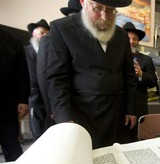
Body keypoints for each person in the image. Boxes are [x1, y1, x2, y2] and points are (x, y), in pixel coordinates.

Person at [46, 0, 137, 149]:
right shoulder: (62, 28)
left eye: (110, 10)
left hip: (117, 112)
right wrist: (64, 118)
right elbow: (57, 78)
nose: (104, 16)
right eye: (97, 8)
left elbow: (129, 75)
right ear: (83, 2)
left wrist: (131, 109)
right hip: (83, 113)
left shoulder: (121, 35)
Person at [37, 0, 82, 130]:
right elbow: (44, 76)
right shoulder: (50, 39)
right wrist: (53, 109)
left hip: (80, 108)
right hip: (59, 107)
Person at [123, 22, 158, 141]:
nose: (131, 41)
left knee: (137, 138)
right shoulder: (116, 57)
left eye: (135, 39)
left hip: (139, 106)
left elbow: (153, 82)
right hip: (120, 106)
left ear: (138, 41)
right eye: (128, 38)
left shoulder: (146, 60)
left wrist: (141, 74)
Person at [0, 28, 30, 161]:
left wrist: (23, 100)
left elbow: (22, 73)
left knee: (12, 147)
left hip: (7, 104)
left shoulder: (13, 40)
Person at [25, 19, 50, 142]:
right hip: (35, 100)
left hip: (49, 100)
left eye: (47, 33)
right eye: (42, 33)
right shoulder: (26, 51)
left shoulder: (51, 52)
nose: (45, 36)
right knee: (38, 135)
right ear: (34, 34)